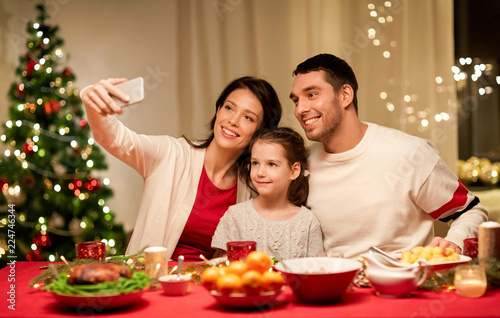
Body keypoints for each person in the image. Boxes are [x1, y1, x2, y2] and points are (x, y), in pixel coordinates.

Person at [289, 53, 488, 258]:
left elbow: (471, 211)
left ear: (345, 95)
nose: (300, 109)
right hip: (331, 285)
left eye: (311, 95)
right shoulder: (300, 164)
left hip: (404, 285)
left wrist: (454, 242)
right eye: (296, 100)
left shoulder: (410, 153)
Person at [81, 76, 282, 261]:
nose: (233, 120)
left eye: (248, 118)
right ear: (218, 110)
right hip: (153, 284)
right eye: (229, 108)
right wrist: (91, 101)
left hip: (208, 290)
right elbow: (115, 139)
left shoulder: (250, 188)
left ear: (260, 132)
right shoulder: (171, 154)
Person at [211, 127, 323, 260]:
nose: (260, 172)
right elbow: (226, 271)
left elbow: (315, 271)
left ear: (294, 171)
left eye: (271, 164)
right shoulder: (236, 216)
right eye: (255, 163)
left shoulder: (308, 221)